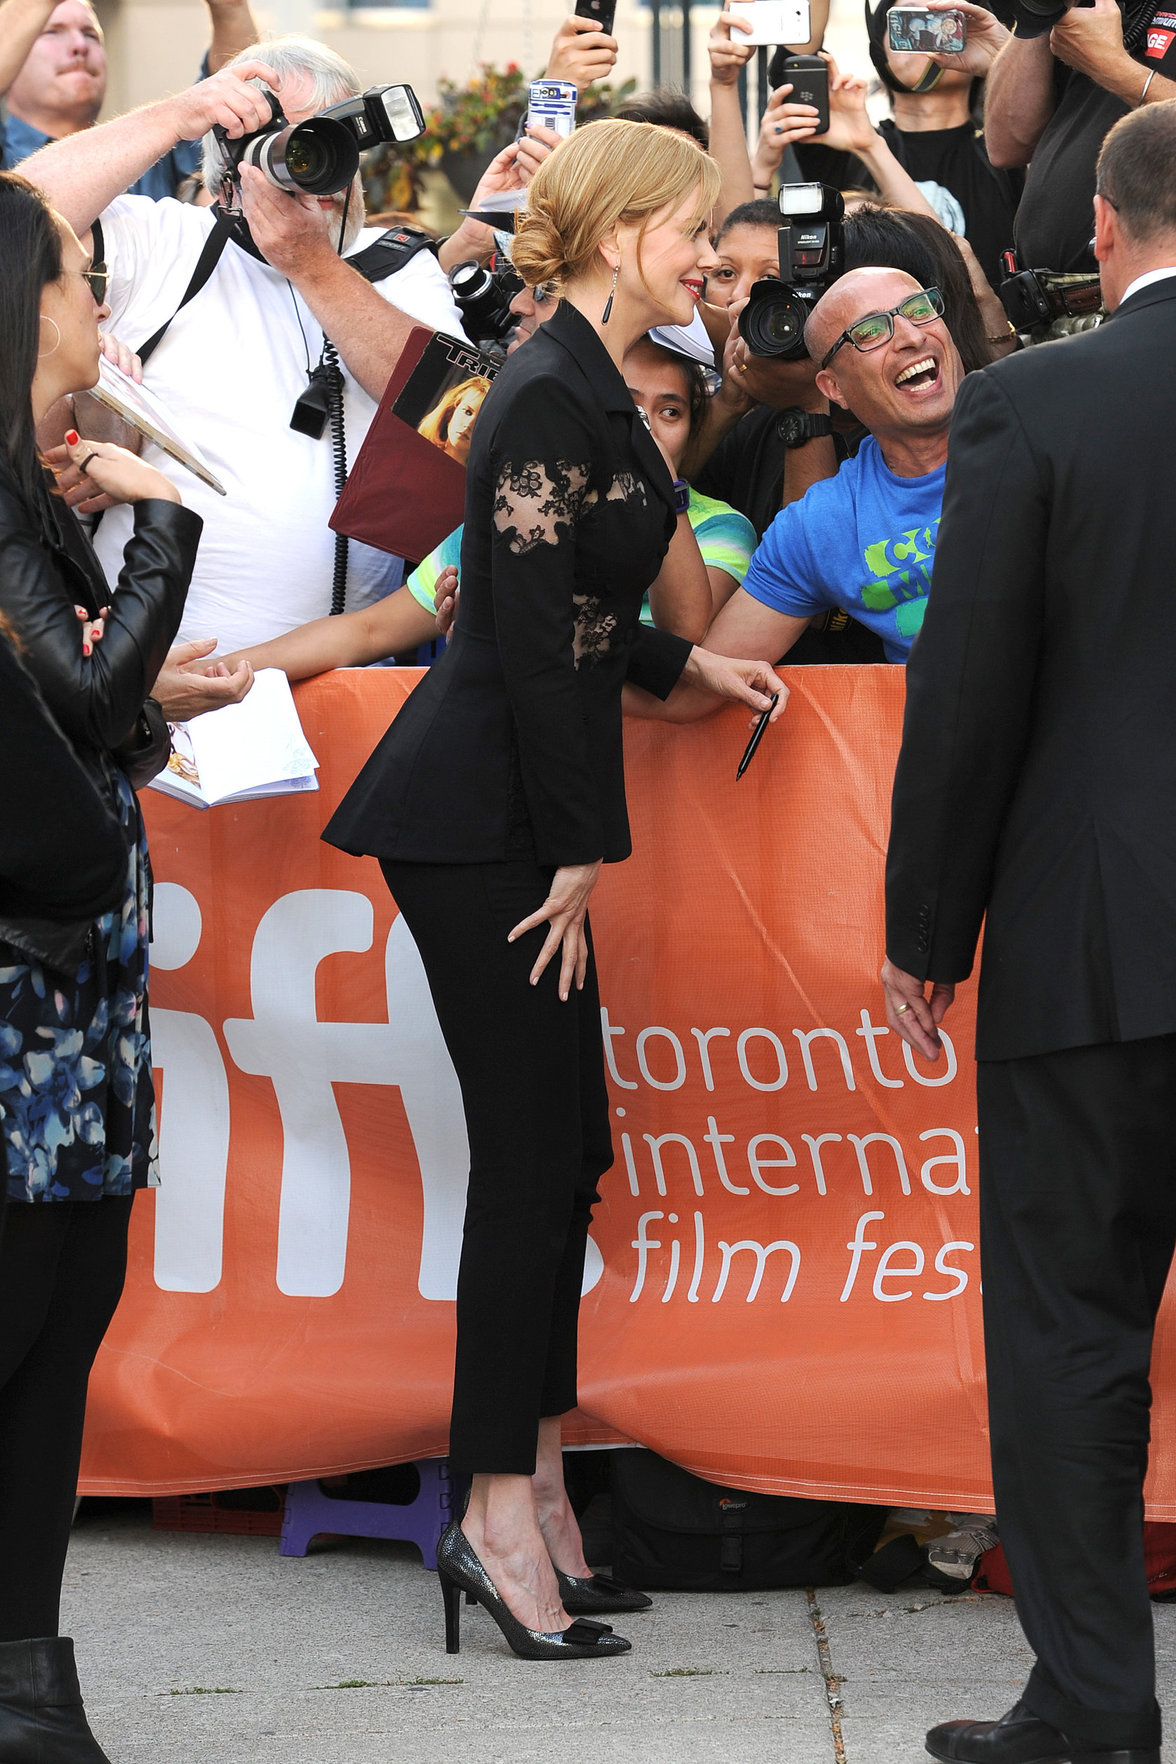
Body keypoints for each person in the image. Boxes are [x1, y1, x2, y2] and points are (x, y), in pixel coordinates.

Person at [321, 118, 787, 1661]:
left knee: (562, 1154)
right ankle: (492, 1511)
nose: (709, 251)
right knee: (531, 1166)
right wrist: (586, 844)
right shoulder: (540, 388)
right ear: (609, 232)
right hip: (481, 822)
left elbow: (584, 612)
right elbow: (520, 642)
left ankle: (541, 1492)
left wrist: (689, 658)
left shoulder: (589, 381)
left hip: (515, 811)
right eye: (688, 228)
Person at [881, 101, 1176, 1764]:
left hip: (1093, 943)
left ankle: (1089, 1705)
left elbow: (966, 686)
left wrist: (928, 922)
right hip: (1101, 939)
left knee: (1071, 1328)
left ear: (1111, 231)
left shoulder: (1035, 403)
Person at [0, 170, 201, 1763]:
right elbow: (84, 711)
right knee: (21, 1327)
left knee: (64, 1330)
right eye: (76, 278)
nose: (98, 305)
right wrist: (167, 530)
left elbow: (98, 715)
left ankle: (31, 1681)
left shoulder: (27, 490)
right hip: (21, 996)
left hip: (73, 1005)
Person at [24, 37, 465, 657]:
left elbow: (453, 414)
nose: (320, 164)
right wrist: (178, 114)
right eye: (293, 142)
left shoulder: (402, 269)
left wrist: (313, 264)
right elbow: (14, 224)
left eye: (335, 137)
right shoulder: (164, 240)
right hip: (162, 678)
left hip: (347, 680)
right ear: (228, 167)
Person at [0, 0, 259, 199]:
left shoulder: (148, 152)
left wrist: (229, 8)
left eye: (91, 34)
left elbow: (235, 97)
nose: (79, 45)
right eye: (53, 32)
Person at [983, 0, 1173, 271]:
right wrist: (1036, 15)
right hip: (1047, 298)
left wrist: (1114, 67)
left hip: (1148, 288)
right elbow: (1007, 146)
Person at [417, 374, 493, 466]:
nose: (469, 424)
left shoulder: (473, 479)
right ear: (451, 412)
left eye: (480, 421)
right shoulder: (415, 451)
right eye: (467, 412)